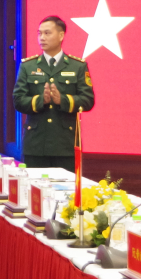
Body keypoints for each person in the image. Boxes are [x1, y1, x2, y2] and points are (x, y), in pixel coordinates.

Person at [13, 16, 95, 172]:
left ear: (61, 35)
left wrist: (62, 100)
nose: (42, 38)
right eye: (39, 33)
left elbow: (88, 100)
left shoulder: (77, 66)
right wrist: (40, 100)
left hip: (65, 144)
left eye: (47, 33)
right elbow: (18, 100)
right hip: (35, 144)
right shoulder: (28, 66)